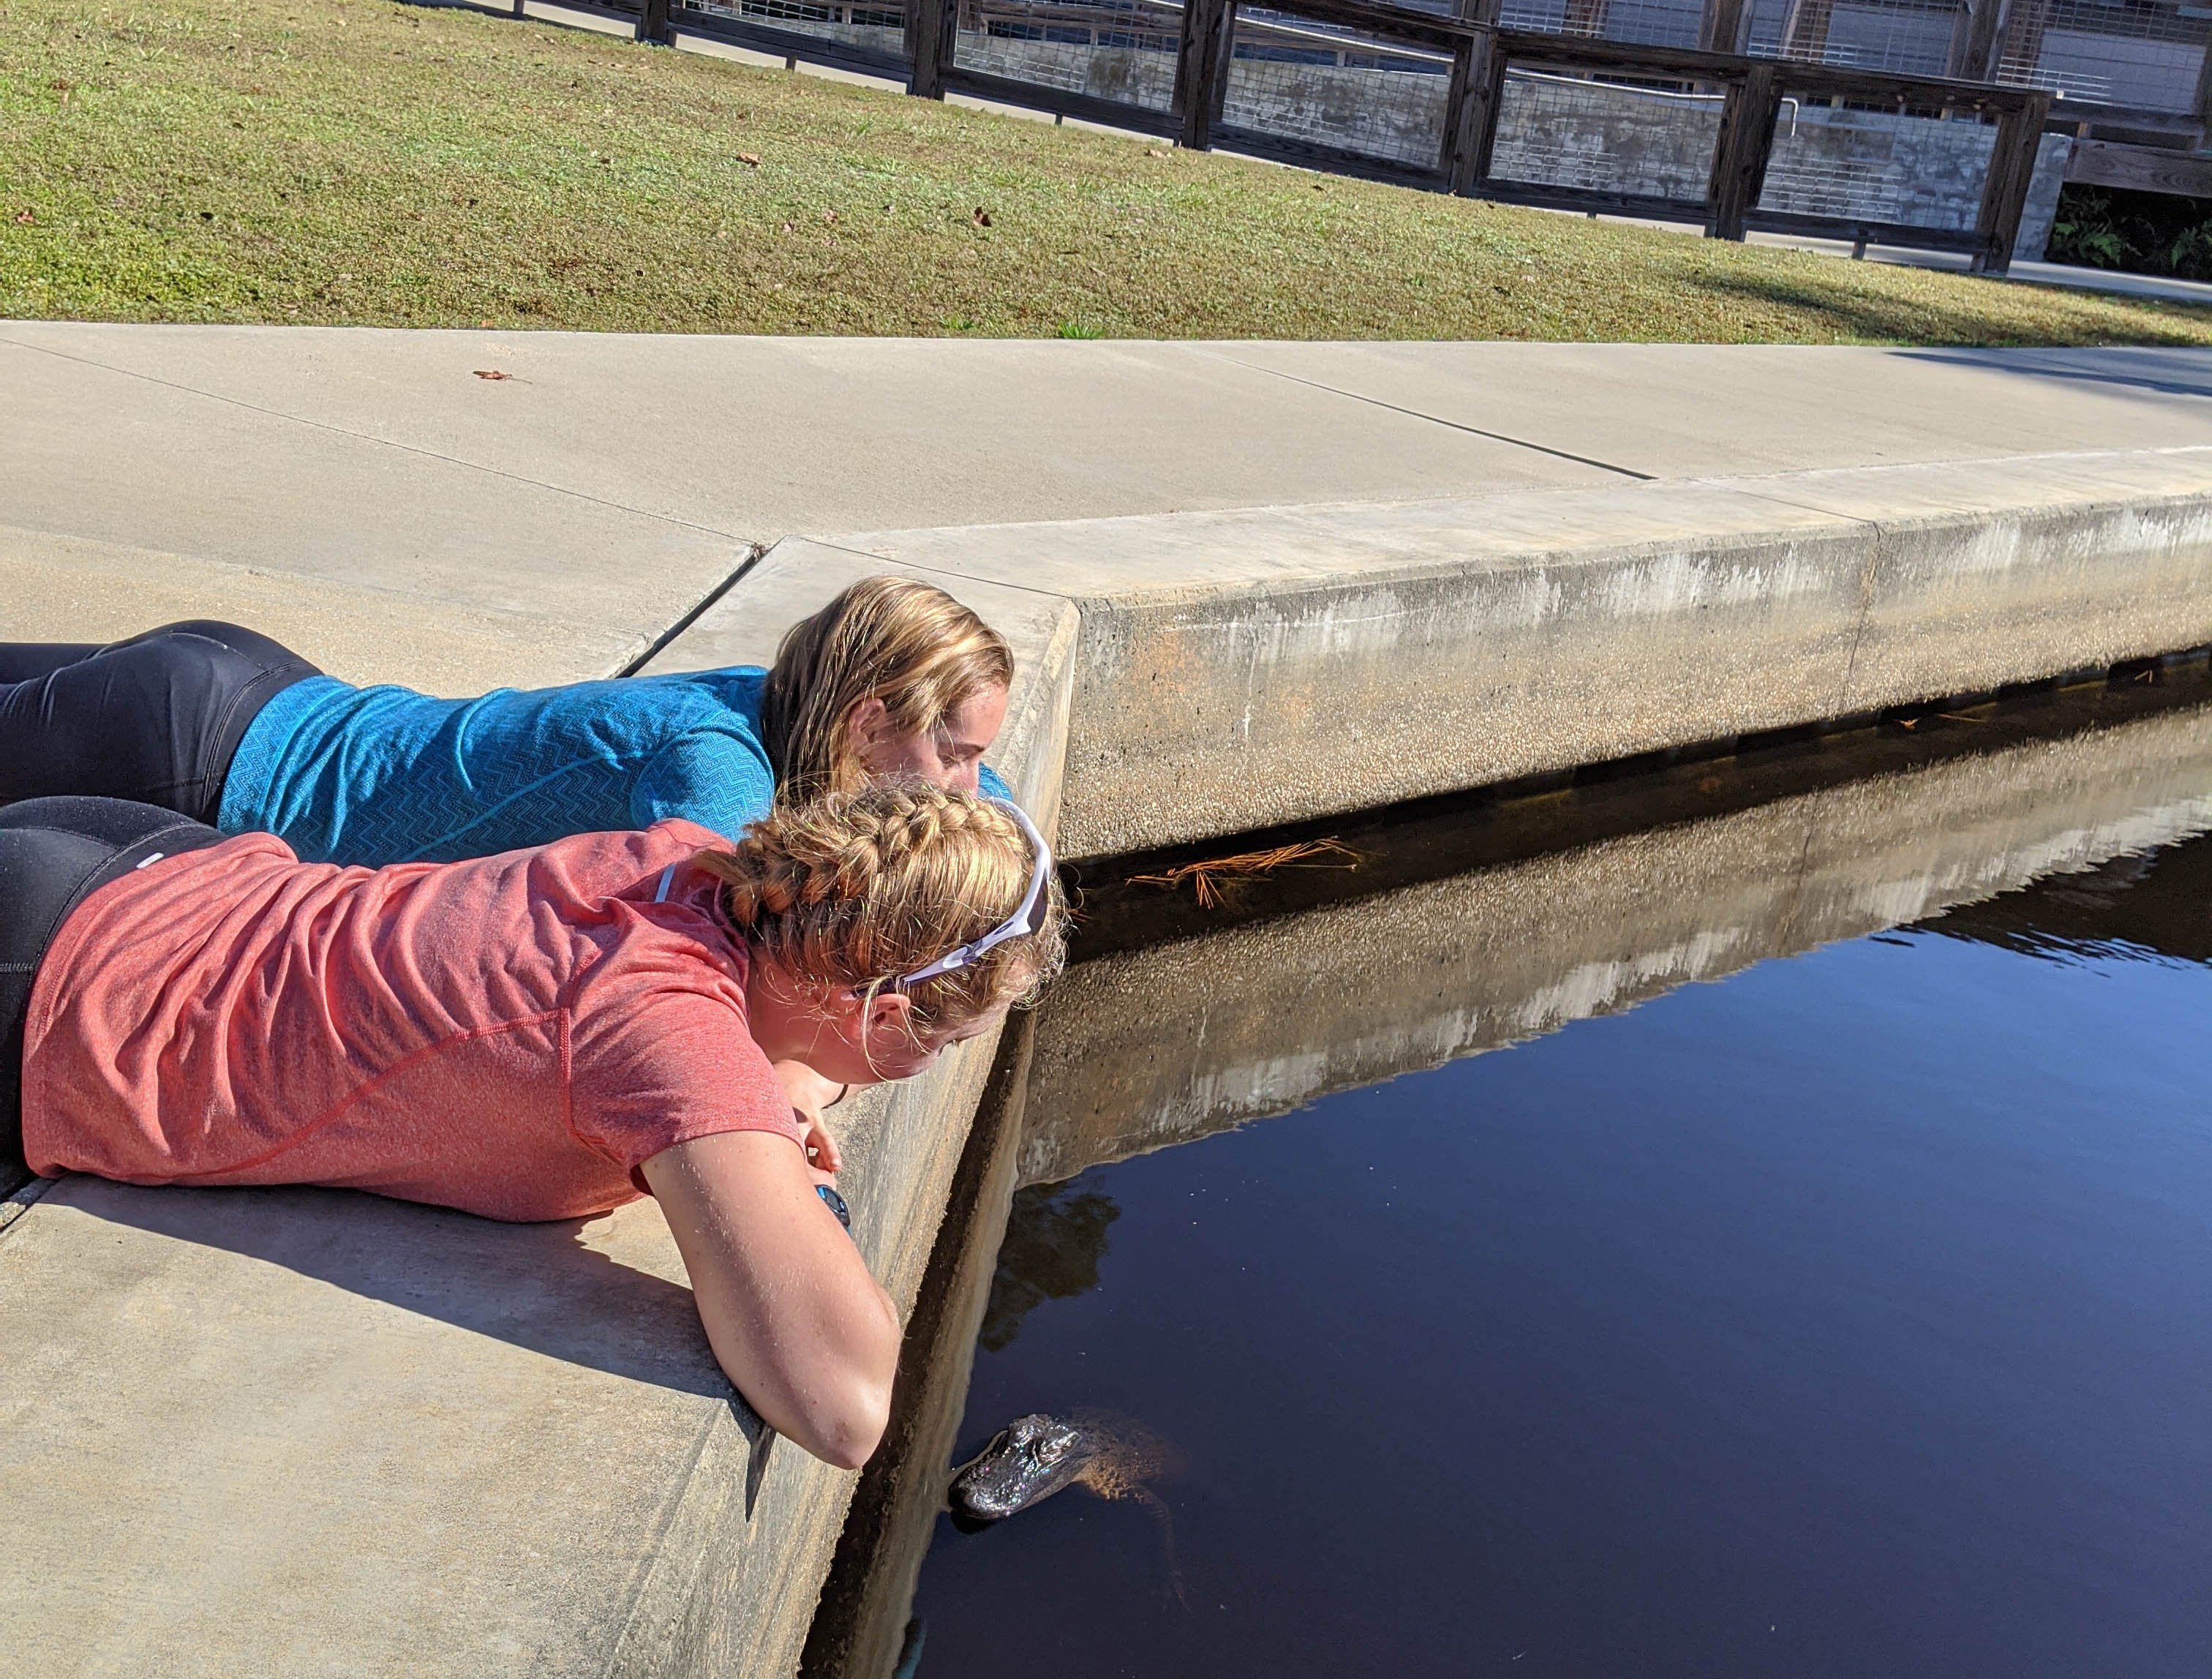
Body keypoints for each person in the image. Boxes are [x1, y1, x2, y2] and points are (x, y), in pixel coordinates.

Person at [0, 781, 1066, 1470]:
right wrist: (803, 1183)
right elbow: (841, 1403)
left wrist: (769, 1088)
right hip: (50, 1001)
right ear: (872, 1009)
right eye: (945, 1043)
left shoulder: (702, 874)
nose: (926, 1069)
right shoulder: (669, 1045)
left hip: (143, 864)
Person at [0, 575, 1012, 865]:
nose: (971, 784)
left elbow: (1006, 821)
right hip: (190, 757)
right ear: (872, 722)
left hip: (240, 685)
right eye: (959, 756)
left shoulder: (778, 696)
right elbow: (716, 966)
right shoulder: (715, 768)